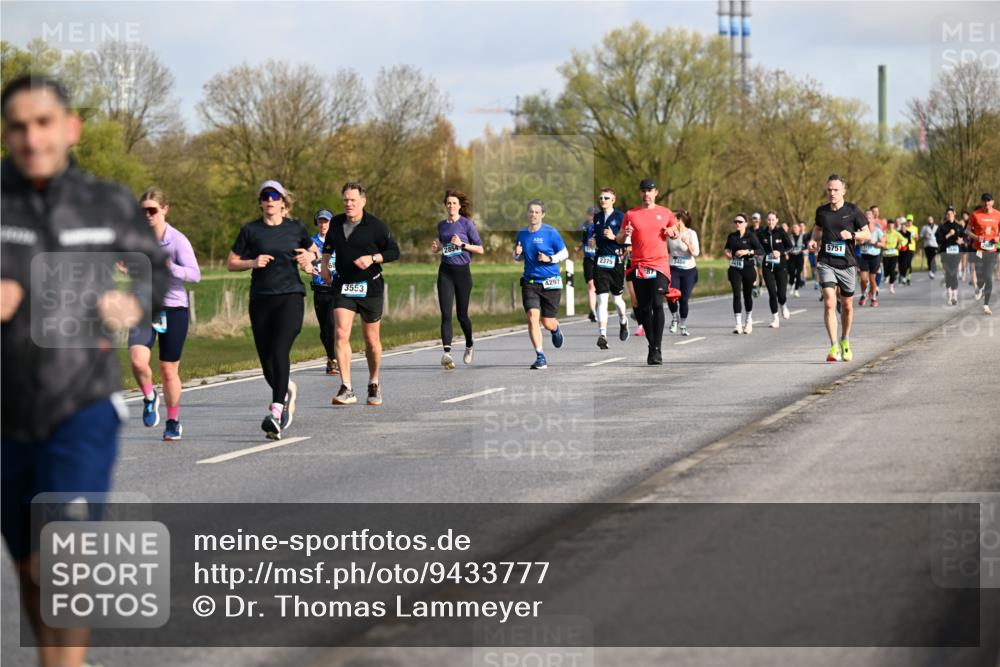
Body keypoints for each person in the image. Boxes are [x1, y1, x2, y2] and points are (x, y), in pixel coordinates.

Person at [1, 74, 168, 667]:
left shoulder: (107, 202)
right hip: (7, 413)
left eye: (43, 123)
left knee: (62, 559)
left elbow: (157, 271)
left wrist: (134, 302)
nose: (32, 138)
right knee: (30, 567)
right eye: (18, 127)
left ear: (70, 128)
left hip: (81, 406)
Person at [228, 180, 319, 438]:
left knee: (280, 351)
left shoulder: (295, 228)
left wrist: (309, 258)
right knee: (267, 361)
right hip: (261, 299)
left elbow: (315, 252)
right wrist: (252, 262)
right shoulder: (251, 230)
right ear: (260, 202)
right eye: (265, 196)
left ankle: (276, 411)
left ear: (283, 202)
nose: (270, 200)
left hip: (290, 297)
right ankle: (286, 389)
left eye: (275, 196)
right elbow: (231, 262)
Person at [128, 188, 201, 441]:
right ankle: (149, 396)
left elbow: (195, 274)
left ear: (165, 210)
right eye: (143, 211)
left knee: (168, 370)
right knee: (138, 360)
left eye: (153, 210)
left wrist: (172, 267)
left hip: (174, 308)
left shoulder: (177, 240)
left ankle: (173, 421)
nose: (148, 216)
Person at [321, 181, 401, 403]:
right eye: (345, 200)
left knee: (371, 340)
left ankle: (374, 383)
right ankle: (346, 387)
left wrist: (373, 258)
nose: (349, 204)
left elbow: (394, 251)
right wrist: (325, 266)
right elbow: (328, 247)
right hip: (343, 285)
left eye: (353, 200)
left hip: (370, 286)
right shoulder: (336, 223)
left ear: (363, 202)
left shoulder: (376, 226)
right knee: (340, 333)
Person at [808, 174, 870, 361]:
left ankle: (845, 340)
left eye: (836, 190)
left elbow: (867, 234)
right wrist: (813, 240)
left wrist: (852, 235)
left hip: (847, 264)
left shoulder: (852, 211)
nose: (832, 193)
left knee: (847, 305)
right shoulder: (822, 211)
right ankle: (834, 346)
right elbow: (817, 229)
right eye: (829, 190)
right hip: (826, 261)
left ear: (843, 191)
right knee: (829, 302)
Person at [616, 179, 678, 365]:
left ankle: (657, 347)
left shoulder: (665, 212)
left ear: (656, 192)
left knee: (658, 304)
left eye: (650, 190)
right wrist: (625, 234)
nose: (646, 194)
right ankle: (652, 346)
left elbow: (675, 231)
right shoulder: (631, 214)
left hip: (659, 265)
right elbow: (619, 239)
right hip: (639, 266)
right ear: (640, 193)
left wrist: (672, 232)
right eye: (643, 191)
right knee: (644, 308)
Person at [430, 190, 483, 368]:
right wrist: (438, 247)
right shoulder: (441, 225)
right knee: (446, 314)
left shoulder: (467, 224)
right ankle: (447, 353)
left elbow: (480, 249)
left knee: (462, 316)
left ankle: (469, 344)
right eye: (448, 203)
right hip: (445, 272)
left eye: (454, 203)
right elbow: (443, 244)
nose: (451, 206)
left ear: (459, 206)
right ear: (445, 206)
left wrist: (462, 244)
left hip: (462, 273)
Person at [513, 199, 568, 369]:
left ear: (542, 214)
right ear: (527, 214)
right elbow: (518, 257)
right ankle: (540, 356)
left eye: (537, 212)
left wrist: (549, 258)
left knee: (547, 322)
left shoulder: (551, 232)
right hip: (530, 282)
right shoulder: (522, 234)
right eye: (531, 211)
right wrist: (516, 254)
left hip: (551, 282)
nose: (533, 215)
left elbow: (564, 253)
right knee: (532, 317)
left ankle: (555, 329)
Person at [590, 188, 629, 349]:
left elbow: (628, 239)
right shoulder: (597, 217)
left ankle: (623, 320)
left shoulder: (621, 217)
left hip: (616, 261)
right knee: (602, 299)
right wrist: (593, 240)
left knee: (617, 300)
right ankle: (603, 335)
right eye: (601, 198)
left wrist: (614, 237)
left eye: (606, 198)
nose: (603, 200)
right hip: (600, 261)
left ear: (613, 200)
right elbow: (595, 234)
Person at [310, 209, 339, 375]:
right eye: (320, 221)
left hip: (336, 287)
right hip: (320, 288)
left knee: (334, 325)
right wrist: (308, 265)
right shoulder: (311, 242)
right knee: (324, 328)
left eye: (326, 221)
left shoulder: (338, 240)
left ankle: (334, 359)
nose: (323, 225)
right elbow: (304, 259)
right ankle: (331, 356)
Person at [725, 213, 764, 334]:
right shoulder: (732, 236)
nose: (737, 224)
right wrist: (727, 253)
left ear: (746, 224)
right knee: (736, 295)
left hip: (748, 268)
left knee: (747, 295)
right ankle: (738, 324)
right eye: (736, 222)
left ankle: (748, 321)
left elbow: (761, 250)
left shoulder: (751, 236)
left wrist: (747, 252)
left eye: (740, 222)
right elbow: (727, 248)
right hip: (735, 268)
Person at [666, 209, 700, 336]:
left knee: (684, 299)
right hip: (673, 268)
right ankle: (674, 318)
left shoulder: (691, 233)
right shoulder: (669, 233)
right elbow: (667, 250)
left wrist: (687, 242)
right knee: (671, 295)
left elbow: (696, 253)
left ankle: (683, 324)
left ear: (679, 220)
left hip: (688, 271)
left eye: (672, 218)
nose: (669, 220)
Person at [757, 211, 793, 328]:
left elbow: (790, 247)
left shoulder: (781, 232)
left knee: (781, 294)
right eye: (769, 220)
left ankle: (783, 304)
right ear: (766, 221)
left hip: (781, 266)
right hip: (767, 266)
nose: (770, 222)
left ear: (777, 220)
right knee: (772, 293)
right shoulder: (762, 233)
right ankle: (775, 319)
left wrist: (780, 252)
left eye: (773, 220)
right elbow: (757, 247)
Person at [969, 192, 999, 316]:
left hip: (991, 250)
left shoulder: (998, 214)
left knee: (988, 277)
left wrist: (997, 238)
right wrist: (976, 237)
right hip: (979, 250)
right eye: (985, 200)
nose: (987, 203)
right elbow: (967, 231)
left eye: (989, 200)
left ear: (992, 202)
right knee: (980, 276)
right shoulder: (975, 214)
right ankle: (980, 287)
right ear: (982, 202)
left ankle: (986, 305)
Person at [937, 206, 965, 306]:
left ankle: (954, 296)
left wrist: (961, 241)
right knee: (948, 273)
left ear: (954, 214)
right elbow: (939, 240)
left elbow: (964, 238)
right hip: (945, 253)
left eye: (951, 214)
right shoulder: (942, 227)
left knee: (953, 273)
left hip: (956, 253)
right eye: (948, 214)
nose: (949, 215)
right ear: (946, 215)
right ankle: (949, 295)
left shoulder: (959, 226)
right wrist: (948, 234)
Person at [857, 209, 885, 307]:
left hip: (875, 256)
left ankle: (873, 298)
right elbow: (856, 241)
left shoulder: (878, 231)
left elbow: (883, 244)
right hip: (864, 256)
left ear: (873, 219)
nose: (868, 220)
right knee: (863, 279)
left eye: (869, 218)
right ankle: (863, 294)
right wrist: (860, 241)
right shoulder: (861, 231)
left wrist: (875, 243)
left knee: (872, 278)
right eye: (866, 218)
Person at [579, 208, 598, 322]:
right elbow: (584, 240)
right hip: (588, 259)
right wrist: (579, 247)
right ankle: (593, 311)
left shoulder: (601, 226)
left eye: (593, 215)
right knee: (591, 285)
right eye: (590, 215)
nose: (591, 217)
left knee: (599, 286)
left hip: (599, 259)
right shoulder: (584, 226)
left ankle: (600, 307)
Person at [882, 218, 904, 294]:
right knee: (886, 271)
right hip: (886, 254)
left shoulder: (896, 233)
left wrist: (900, 244)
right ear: (887, 225)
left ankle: (891, 286)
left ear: (894, 225)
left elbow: (904, 240)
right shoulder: (884, 233)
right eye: (889, 225)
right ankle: (886, 276)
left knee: (892, 270)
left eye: (892, 225)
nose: (891, 226)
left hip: (894, 254)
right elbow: (880, 240)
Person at [787, 221, 808, 297]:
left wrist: (804, 249)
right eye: (794, 228)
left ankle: (796, 290)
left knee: (798, 274)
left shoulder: (803, 237)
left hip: (799, 256)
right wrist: (787, 253)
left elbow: (806, 246)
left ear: (799, 229)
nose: (795, 229)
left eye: (796, 227)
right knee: (792, 273)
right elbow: (786, 246)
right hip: (791, 257)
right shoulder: (789, 237)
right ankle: (791, 284)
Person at [898, 214, 918, 285]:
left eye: (910, 221)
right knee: (903, 263)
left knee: (908, 263)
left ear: (912, 221)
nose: (909, 222)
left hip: (911, 247)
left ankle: (908, 278)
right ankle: (903, 276)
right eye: (908, 221)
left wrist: (915, 236)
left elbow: (917, 238)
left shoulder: (915, 228)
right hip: (904, 248)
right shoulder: (904, 227)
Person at [750, 212, 764, 297]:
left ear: (760, 220)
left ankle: (760, 285)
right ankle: (754, 287)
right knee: (753, 270)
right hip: (751, 253)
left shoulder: (763, 230)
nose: (755, 220)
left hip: (761, 254)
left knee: (760, 272)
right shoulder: (749, 230)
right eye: (754, 219)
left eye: (757, 219)